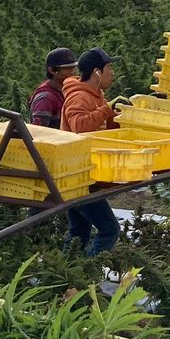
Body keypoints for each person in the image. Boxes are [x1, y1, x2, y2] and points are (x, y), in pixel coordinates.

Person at [60, 47, 122, 256]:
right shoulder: (79, 97)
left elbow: (102, 127)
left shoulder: (97, 95)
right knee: (109, 229)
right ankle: (85, 275)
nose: (112, 73)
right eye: (109, 68)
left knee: (79, 233)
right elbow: (79, 125)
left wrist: (120, 116)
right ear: (96, 72)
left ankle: (63, 281)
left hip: (82, 173)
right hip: (77, 177)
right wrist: (107, 109)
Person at [27, 47, 78, 129]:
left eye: (73, 67)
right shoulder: (45, 98)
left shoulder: (68, 91)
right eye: (67, 68)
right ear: (51, 70)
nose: (72, 72)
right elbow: (38, 132)